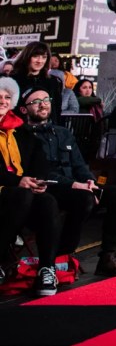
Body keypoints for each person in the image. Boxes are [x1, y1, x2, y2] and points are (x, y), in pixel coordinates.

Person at [18, 88, 116, 276]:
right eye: (35, 102)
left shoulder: (63, 133)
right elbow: (42, 173)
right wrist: (76, 186)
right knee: (83, 199)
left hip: (76, 186)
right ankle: (62, 257)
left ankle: (107, 258)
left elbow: (79, 164)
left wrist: (90, 182)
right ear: (24, 110)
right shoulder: (24, 136)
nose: (43, 104)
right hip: (49, 188)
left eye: (46, 99)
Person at [0, 77, 61, 296]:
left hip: (18, 195)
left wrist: (37, 180)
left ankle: (47, 268)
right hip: (5, 192)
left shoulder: (20, 129)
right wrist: (17, 181)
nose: (3, 101)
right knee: (22, 196)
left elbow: (40, 159)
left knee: (46, 199)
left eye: (7, 97)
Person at [11, 41, 63, 122]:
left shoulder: (52, 81)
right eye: (35, 56)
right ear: (27, 57)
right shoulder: (13, 80)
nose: (40, 61)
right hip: (19, 128)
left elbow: (56, 109)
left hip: (46, 129)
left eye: (44, 57)